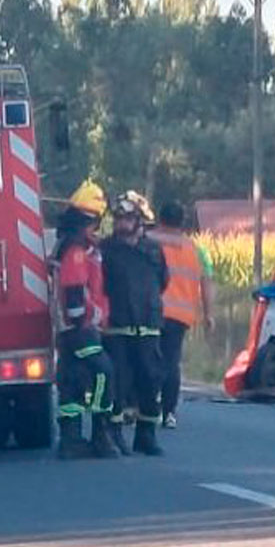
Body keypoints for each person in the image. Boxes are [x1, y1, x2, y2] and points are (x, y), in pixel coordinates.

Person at [50, 180, 120, 460]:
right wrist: (82, 319)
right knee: (104, 371)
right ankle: (101, 432)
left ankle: (71, 439)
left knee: (73, 380)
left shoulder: (68, 244)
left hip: (68, 328)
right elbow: (74, 286)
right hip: (79, 327)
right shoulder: (77, 248)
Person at [101, 190, 169, 456]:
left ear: (139, 221)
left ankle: (146, 434)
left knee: (150, 380)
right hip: (116, 326)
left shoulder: (153, 250)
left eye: (127, 218)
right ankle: (114, 433)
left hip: (148, 325)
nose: (121, 224)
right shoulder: (106, 250)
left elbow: (163, 281)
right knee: (117, 382)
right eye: (118, 218)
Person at [149, 202, 215, 429]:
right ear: (182, 222)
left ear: (160, 218)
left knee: (148, 359)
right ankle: (169, 413)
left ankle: (145, 408)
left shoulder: (148, 241)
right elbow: (206, 283)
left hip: (150, 311)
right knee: (171, 362)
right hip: (181, 315)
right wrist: (209, 315)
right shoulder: (195, 249)